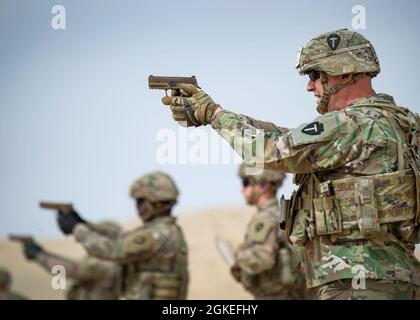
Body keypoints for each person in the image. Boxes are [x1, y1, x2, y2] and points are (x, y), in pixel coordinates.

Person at [159, 29, 420, 299]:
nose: (310, 87)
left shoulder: (348, 125)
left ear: (345, 72)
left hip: (356, 282)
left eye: (315, 76)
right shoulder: (404, 124)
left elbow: (269, 151)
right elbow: (288, 139)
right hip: (400, 279)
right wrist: (220, 113)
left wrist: (214, 116)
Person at [56, 171, 189, 300]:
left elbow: (112, 250)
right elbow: (122, 237)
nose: (137, 207)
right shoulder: (168, 232)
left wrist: (77, 229)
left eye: (140, 201)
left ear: (156, 203)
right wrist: (83, 223)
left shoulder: (156, 235)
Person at [231, 163, 309, 299]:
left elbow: (262, 258)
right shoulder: (284, 214)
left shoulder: (266, 218)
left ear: (263, 186)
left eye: (246, 183)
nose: (242, 190)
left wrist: (239, 258)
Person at [21, 221, 122, 300]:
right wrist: (43, 253)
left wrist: (39, 256)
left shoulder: (106, 263)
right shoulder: (111, 260)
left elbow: (71, 269)